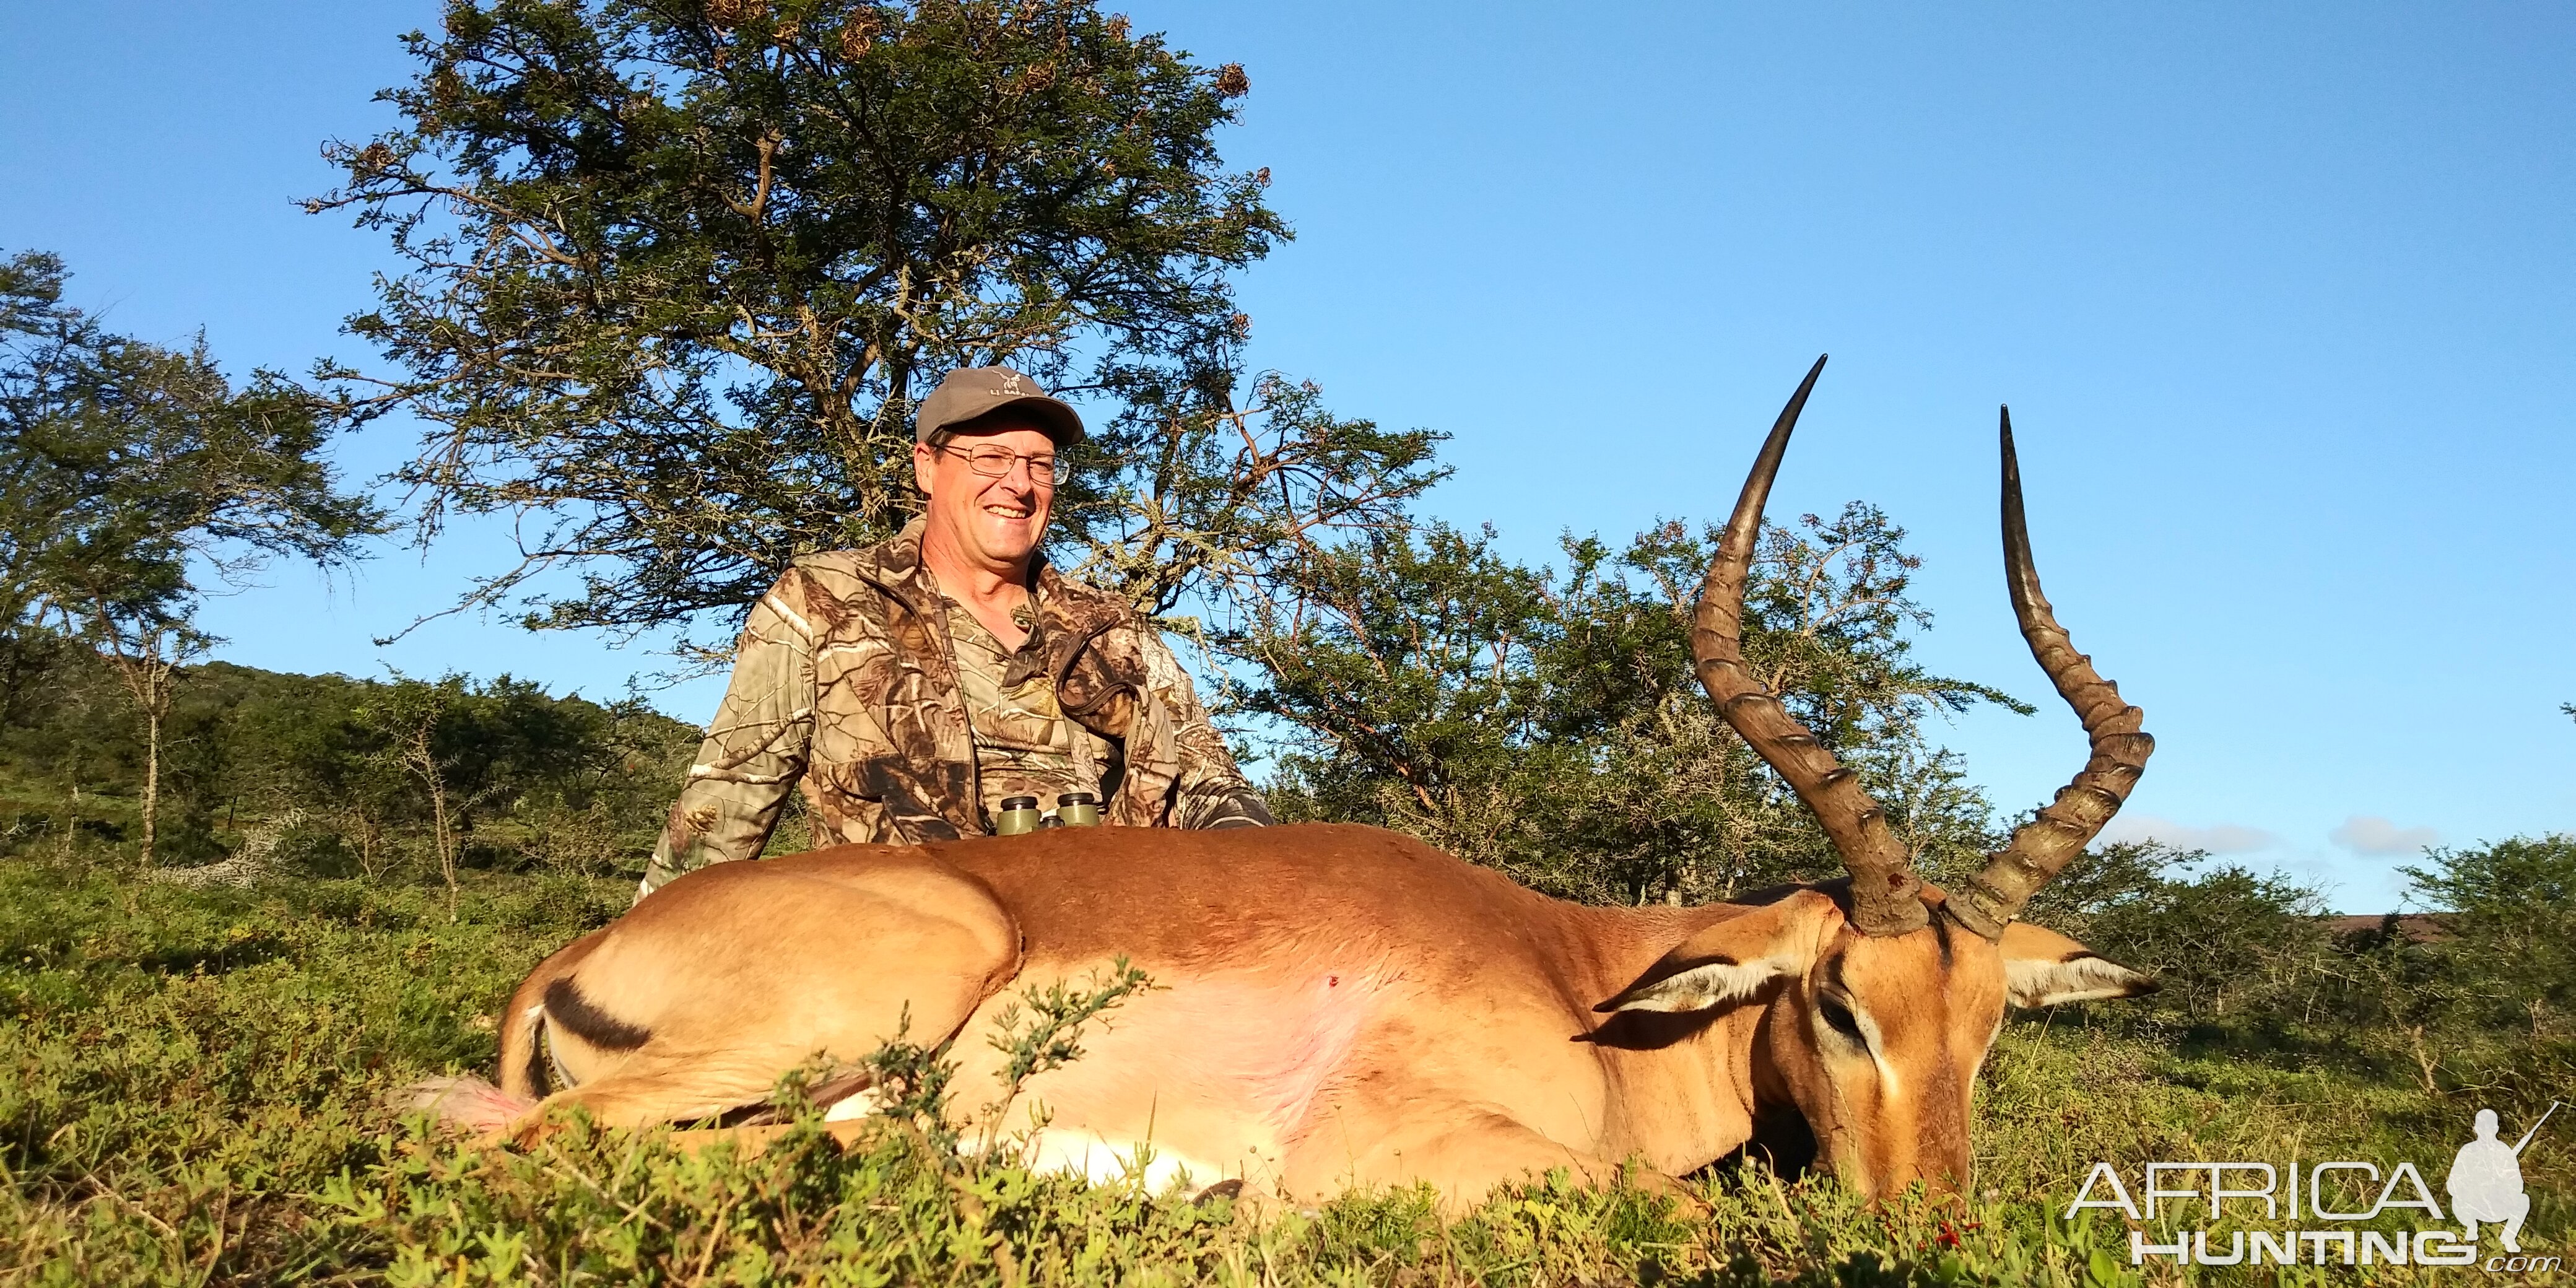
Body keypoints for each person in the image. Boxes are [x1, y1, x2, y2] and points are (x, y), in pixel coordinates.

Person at [640, 366, 1273, 896]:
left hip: (1107, 941)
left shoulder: (1112, 629)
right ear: (926, 466)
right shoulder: (820, 601)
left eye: (1039, 464)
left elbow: (1211, 782)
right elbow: (724, 808)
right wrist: (647, 961)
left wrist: (1270, 883)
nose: (1018, 484)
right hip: (895, 951)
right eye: (990, 456)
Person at [2446, 1108, 2530, 1253]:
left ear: (2496, 1129)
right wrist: (2472, 1185)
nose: (2486, 1132)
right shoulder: (2467, 1151)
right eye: (2482, 1128)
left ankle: (2509, 1237)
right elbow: (2453, 1183)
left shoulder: (2504, 1151)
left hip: (2497, 1205)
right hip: (2473, 1205)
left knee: (2523, 1200)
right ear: (2476, 1129)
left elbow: (2518, 1185)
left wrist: (2502, 1183)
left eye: (2489, 1128)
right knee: (2457, 1200)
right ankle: (2471, 1227)